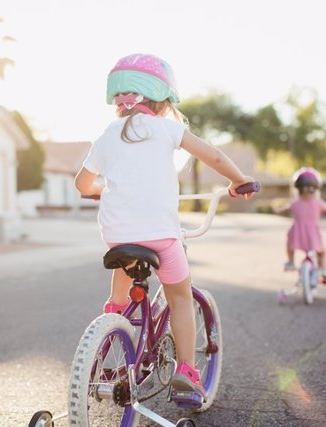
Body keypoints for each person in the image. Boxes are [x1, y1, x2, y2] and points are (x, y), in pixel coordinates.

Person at [74, 53, 254, 400]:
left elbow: (83, 184)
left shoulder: (107, 135)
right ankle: (187, 371)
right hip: (161, 235)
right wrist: (239, 179)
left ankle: (114, 326)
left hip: (117, 235)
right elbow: (213, 156)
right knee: (180, 298)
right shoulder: (168, 128)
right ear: (161, 100)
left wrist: (102, 191)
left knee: (124, 276)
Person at [275, 167, 326, 283]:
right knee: (322, 252)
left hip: (297, 233)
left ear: (298, 189)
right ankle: (325, 271)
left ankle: (290, 261)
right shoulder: (319, 203)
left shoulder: (295, 203)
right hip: (313, 234)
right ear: (315, 189)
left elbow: (284, 208)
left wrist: (279, 210)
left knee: (289, 245)